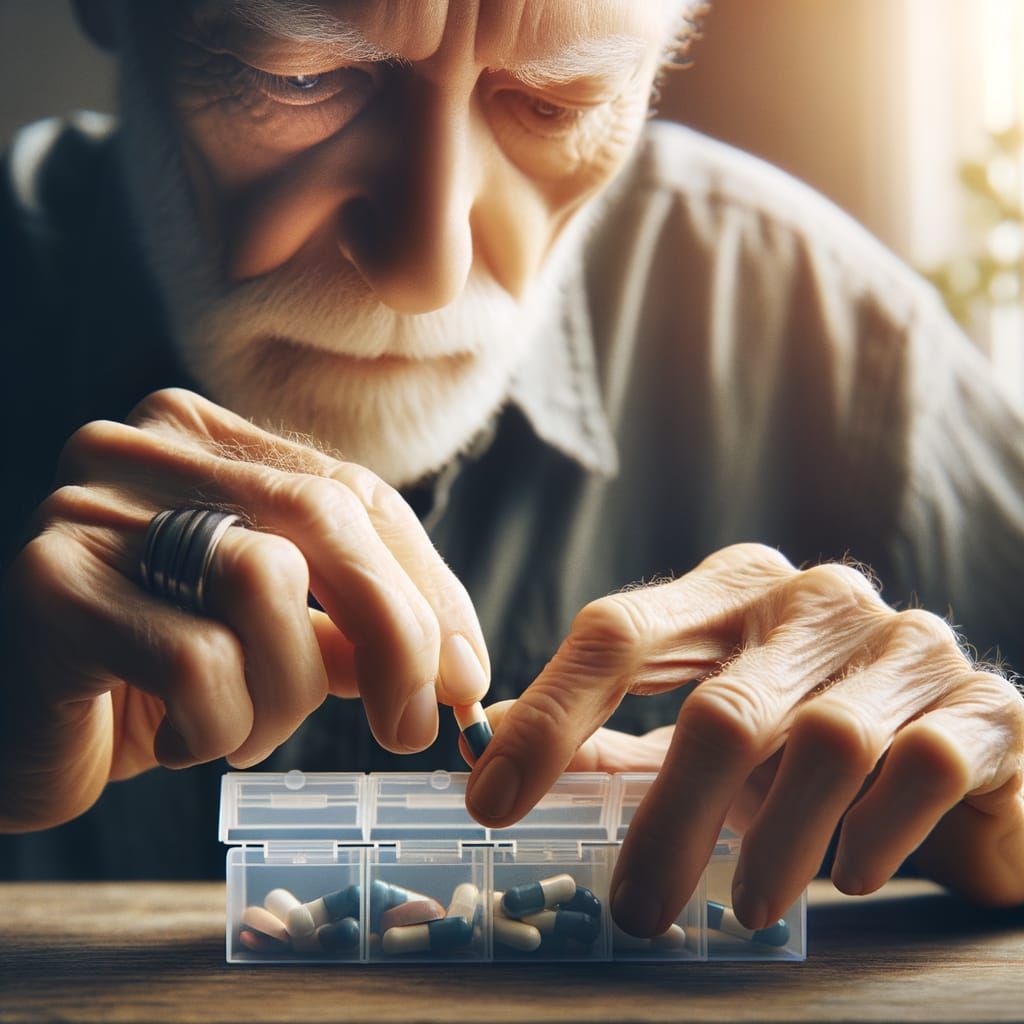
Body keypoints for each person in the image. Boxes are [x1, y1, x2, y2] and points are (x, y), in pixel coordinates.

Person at [0, 0, 1022, 940]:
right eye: (296, 76)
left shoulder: (845, 345)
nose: (425, 269)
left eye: (557, 102)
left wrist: (1005, 808)